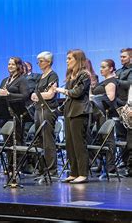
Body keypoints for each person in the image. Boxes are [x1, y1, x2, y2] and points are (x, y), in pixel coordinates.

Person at [55, 49, 92, 184]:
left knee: (79, 144)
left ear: (78, 59)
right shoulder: (71, 75)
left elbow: (76, 93)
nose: (67, 61)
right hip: (70, 111)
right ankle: (74, 172)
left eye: (69, 58)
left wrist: (61, 90)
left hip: (80, 112)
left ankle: (83, 173)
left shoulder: (84, 75)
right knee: (70, 144)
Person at [30, 51, 59, 177]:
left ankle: (51, 170)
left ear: (48, 62)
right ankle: (41, 168)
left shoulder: (53, 75)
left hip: (47, 110)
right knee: (39, 140)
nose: (39, 63)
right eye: (38, 61)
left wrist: (37, 95)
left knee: (48, 140)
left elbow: (51, 94)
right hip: (38, 109)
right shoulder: (41, 76)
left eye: (41, 61)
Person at [91, 59, 117, 173]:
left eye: (104, 67)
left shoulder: (111, 81)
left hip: (106, 113)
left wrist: (95, 97)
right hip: (99, 114)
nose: (101, 69)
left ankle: (110, 167)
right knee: (101, 140)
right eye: (100, 67)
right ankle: (101, 165)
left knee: (108, 140)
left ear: (111, 68)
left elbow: (110, 98)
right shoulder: (104, 81)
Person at [0, 57, 29, 144]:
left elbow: (25, 96)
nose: (10, 66)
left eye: (13, 64)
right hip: (5, 113)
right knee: (7, 141)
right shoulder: (5, 80)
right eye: (9, 64)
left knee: (17, 141)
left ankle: (19, 158)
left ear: (18, 66)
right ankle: (9, 158)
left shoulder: (22, 79)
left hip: (17, 114)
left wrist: (9, 94)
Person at [115, 48, 132, 176]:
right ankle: (124, 161)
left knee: (129, 137)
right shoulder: (119, 71)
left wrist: (116, 81)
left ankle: (129, 164)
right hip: (119, 105)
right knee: (121, 135)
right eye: (120, 57)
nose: (121, 59)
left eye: (124, 57)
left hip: (128, 105)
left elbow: (130, 84)